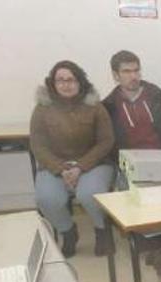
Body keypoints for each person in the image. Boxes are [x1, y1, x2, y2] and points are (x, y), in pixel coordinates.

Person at [102, 50, 161, 275]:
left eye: (136, 70)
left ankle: (160, 247)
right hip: (130, 161)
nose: (133, 76)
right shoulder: (109, 105)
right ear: (116, 75)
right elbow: (109, 144)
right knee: (133, 193)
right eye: (126, 71)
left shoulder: (156, 95)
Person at [31, 60, 115, 258]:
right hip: (55, 165)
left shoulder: (95, 106)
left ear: (80, 82)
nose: (66, 84)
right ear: (52, 83)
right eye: (60, 80)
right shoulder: (42, 109)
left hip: (94, 163)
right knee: (46, 198)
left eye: (71, 80)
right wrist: (60, 168)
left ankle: (102, 231)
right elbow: (38, 145)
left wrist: (80, 167)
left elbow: (106, 141)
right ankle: (68, 232)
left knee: (90, 194)